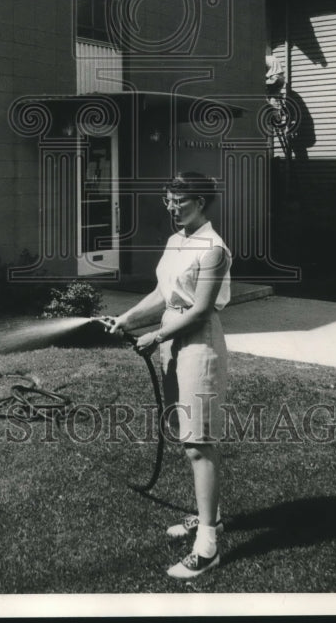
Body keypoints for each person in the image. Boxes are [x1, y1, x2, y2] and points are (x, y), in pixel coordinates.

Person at [109, 172, 231, 579]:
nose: (172, 207)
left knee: (200, 442)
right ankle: (206, 515)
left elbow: (198, 310)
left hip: (199, 344)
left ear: (200, 201)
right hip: (170, 342)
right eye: (168, 199)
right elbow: (164, 294)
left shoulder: (214, 249)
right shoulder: (177, 241)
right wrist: (127, 317)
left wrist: (155, 334)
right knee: (186, 436)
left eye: (180, 200)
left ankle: (208, 544)